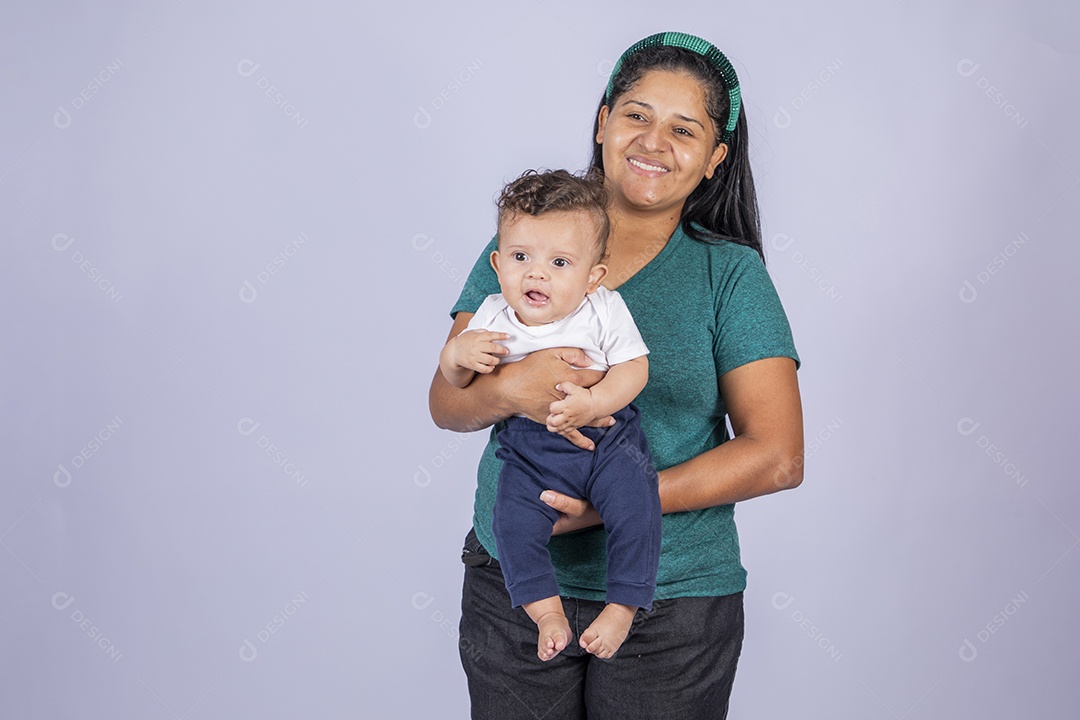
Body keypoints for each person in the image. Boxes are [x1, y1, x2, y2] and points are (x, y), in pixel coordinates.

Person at [429, 31, 804, 719]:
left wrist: (611, 504)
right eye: (637, 115)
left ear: (715, 158)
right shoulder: (526, 243)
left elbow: (777, 456)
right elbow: (447, 403)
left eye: (684, 129)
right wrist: (512, 388)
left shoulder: (729, 275)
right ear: (603, 122)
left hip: (672, 603)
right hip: (514, 585)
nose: (653, 141)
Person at [439, 168, 661, 662]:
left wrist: (594, 403)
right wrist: (455, 357)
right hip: (529, 448)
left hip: (607, 440)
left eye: (559, 262)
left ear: (592, 277)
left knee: (636, 506)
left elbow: (634, 368)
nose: (536, 274)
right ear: (498, 264)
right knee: (511, 522)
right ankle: (546, 612)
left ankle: (623, 606)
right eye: (521, 257)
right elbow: (454, 385)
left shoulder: (603, 309)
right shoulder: (492, 314)